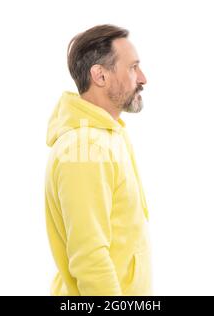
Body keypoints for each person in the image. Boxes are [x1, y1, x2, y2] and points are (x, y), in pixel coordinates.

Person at [44, 24, 151, 296]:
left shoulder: (107, 135)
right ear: (100, 76)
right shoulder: (84, 148)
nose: (143, 78)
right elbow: (89, 257)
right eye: (132, 67)